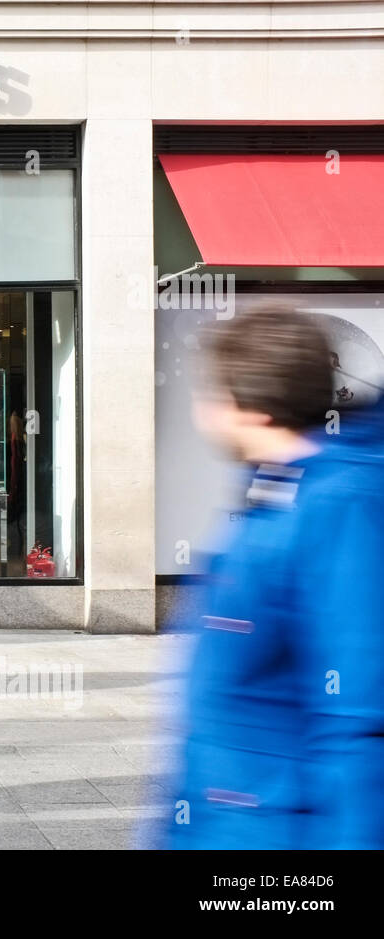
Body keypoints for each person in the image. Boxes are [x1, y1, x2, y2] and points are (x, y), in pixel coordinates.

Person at [161, 307, 384, 849]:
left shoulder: (337, 505)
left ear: (250, 405)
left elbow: (356, 721)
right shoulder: (274, 495)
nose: (202, 406)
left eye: (210, 391)